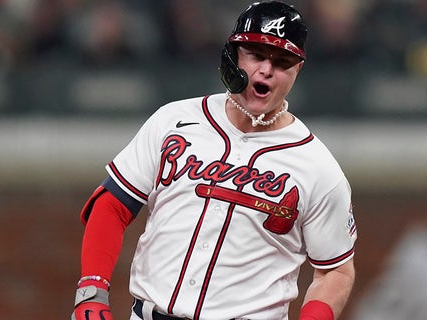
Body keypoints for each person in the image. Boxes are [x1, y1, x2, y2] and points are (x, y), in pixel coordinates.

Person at [71, 2, 357, 319]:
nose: (266, 69)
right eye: (256, 55)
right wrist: (91, 292)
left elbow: (335, 271)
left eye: (282, 61)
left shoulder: (317, 167)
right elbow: (112, 204)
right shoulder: (173, 120)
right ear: (232, 55)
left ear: (298, 69)